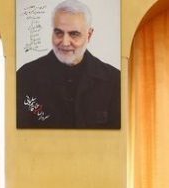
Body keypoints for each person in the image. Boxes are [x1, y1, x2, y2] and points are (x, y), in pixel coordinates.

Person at [16, 0, 120, 129]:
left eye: (74, 34)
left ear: (89, 35)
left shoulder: (115, 81)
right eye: (59, 33)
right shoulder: (24, 77)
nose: (65, 43)